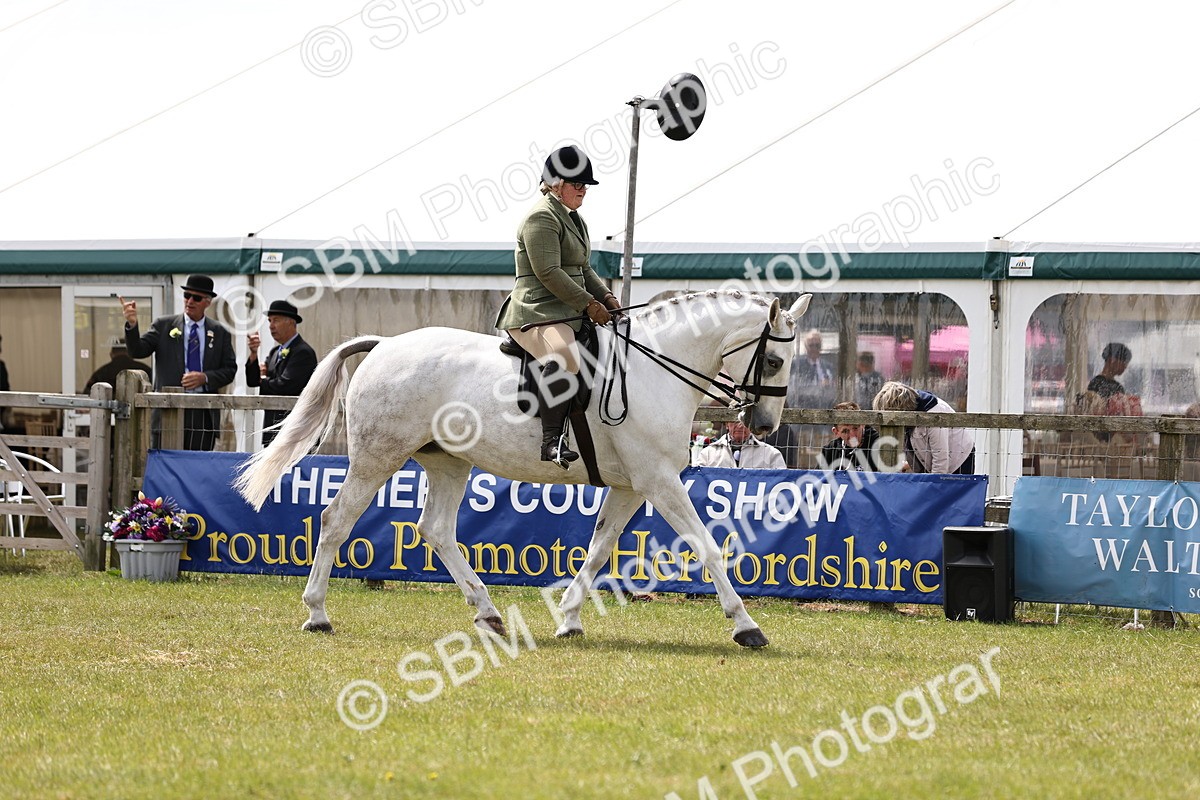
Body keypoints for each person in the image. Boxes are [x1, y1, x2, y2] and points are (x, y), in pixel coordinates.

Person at [495, 145, 620, 468]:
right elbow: (549, 272)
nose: (583, 190)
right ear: (556, 184)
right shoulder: (541, 217)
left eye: (585, 185)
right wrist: (589, 304)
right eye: (577, 184)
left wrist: (607, 298)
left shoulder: (574, 219)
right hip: (537, 311)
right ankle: (551, 441)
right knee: (564, 355)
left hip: (567, 311)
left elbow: (583, 268)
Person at [122, 275, 237, 451]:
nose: (189, 301)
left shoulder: (219, 332)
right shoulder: (164, 325)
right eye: (186, 295)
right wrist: (132, 324)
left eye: (196, 298)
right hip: (168, 409)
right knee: (166, 463)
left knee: (197, 464)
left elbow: (230, 370)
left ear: (207, 302)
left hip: (202, 412)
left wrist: (205, 378)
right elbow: (137, 351)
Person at [246, 300, 318, 445]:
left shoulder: (303, 352)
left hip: (295, 432)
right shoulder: (275, 352)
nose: (271, 326)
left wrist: (263, 380)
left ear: (291, 322)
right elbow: (252, 381)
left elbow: (286, 385)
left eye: (276, 320)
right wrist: (253, 354)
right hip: (273, 428)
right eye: (270, 321)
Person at [873, 380, 975, 474]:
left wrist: (933, 484)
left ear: (899, 409)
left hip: (959, 460)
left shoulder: (934, 414)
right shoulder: (911, 410)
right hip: (932, 462)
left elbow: (940, 459)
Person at [693, 419, 786, 469]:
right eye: (735, 421)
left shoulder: (771, 455)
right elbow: (698, 481)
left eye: (745, 421)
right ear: (727, 424)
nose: (740, 425)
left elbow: (781, 485)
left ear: (752, 425)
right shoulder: (708, 454)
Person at [820, 401, 880, 471]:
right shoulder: (830, 450)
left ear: (863, 424)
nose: (852, 436)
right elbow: (819, 477)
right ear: (836, 432)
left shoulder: (879, 445)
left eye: (855, 428)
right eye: (845, 431)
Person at [84, 338, 151, 392]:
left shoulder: (101, 373)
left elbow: (88, 393)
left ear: (111, 354)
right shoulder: (144, 371)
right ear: (132, 353)